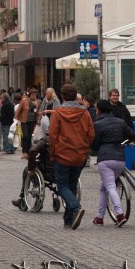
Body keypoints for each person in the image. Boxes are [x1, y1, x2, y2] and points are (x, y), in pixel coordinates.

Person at [48, 87, 94, 229]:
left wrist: (53, 152)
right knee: (72, 185)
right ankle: (68, 220)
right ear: (75, 97)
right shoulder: (85, 113)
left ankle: (75, 207)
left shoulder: (58, 113)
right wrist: (85, 148)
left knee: (62, 186)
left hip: (63, 154)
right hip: (80, 155)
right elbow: (91, 134)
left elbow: (53, 135)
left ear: (62, 97)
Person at [90, 97, 132, 225]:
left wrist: (95, 148)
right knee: (104, 188)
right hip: (120, 159)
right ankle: (99, 217)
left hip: (105, 160)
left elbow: (94, 145)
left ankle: (120, 215)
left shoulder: (97, 124)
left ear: (99, 110)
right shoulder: (120, 122)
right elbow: (133, 135)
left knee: (110, 187)